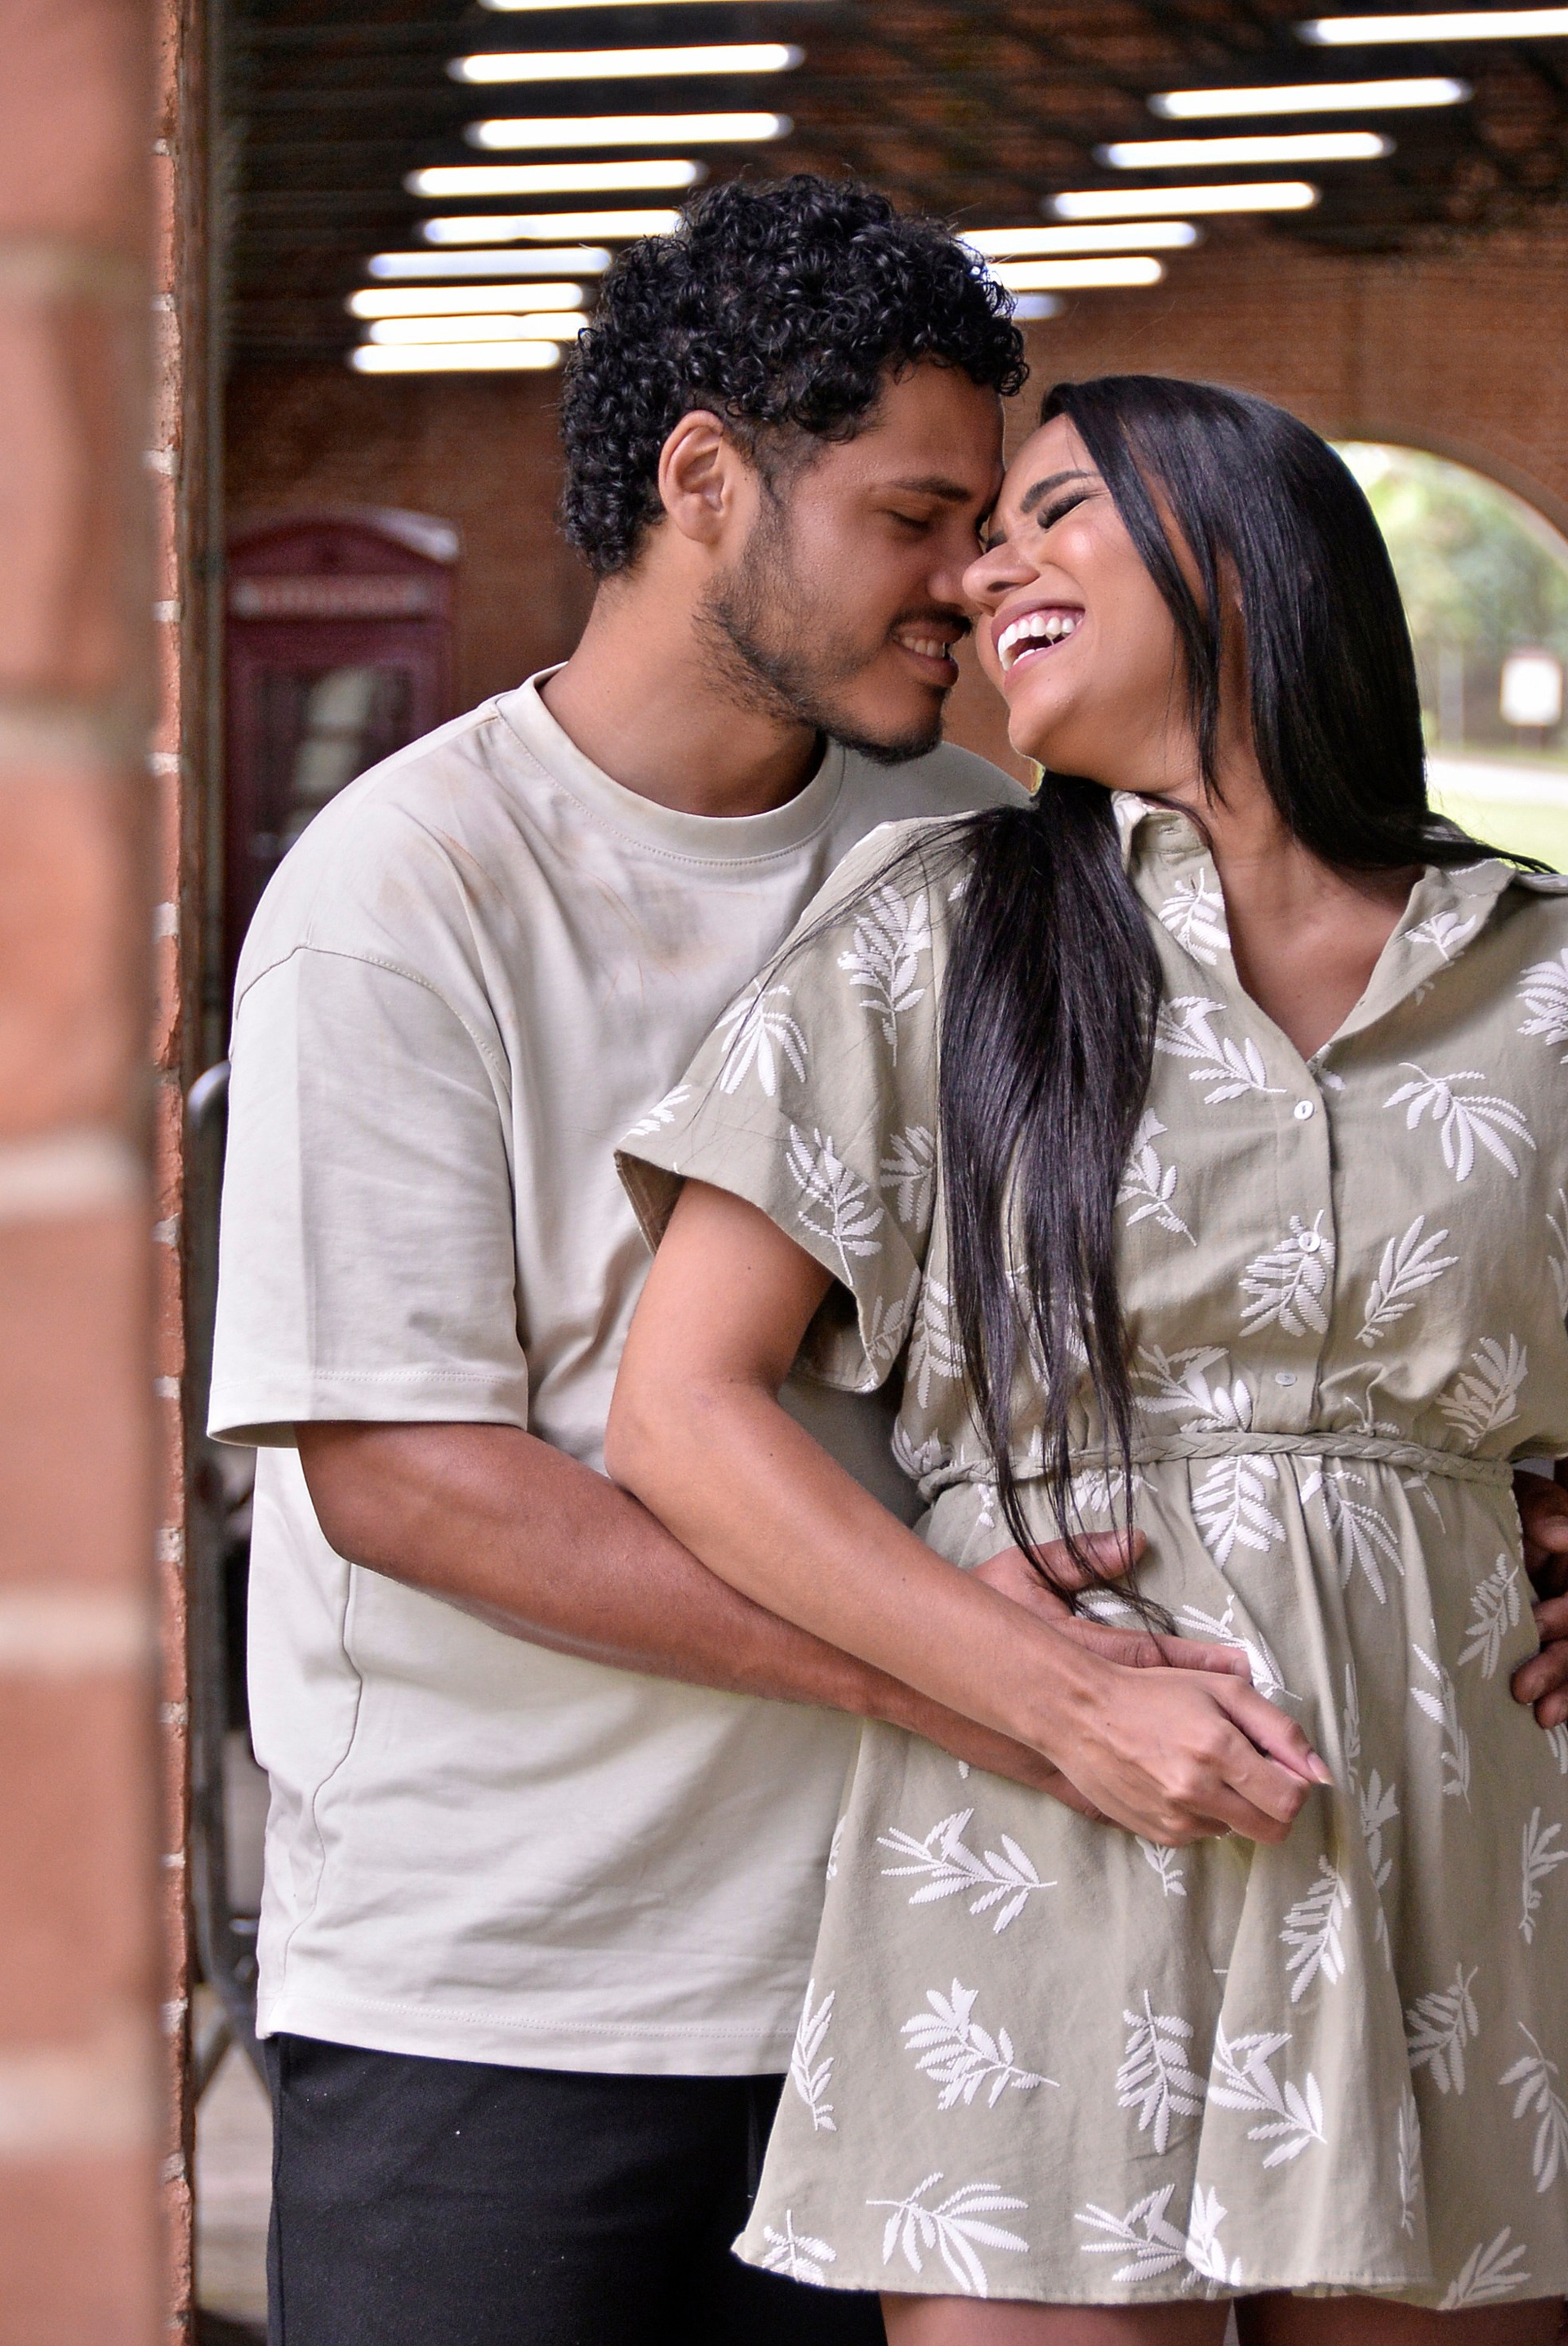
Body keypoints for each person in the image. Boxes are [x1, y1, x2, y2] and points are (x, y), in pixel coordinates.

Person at [207, 183, 1260, 2346]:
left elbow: (1229, 1285)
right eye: (915, 518)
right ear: (705, 481)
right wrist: (969, 1678)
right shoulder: (407, 889)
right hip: (498, 1994)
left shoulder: (989, 860)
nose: (971, 581)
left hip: (925, 1952)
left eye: (990, 525)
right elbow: (406, 1479)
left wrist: (1492, 1518)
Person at [608, 373, 1568, 2342]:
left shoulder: (1538, 973)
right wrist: (1046, 1694)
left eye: (1053, 512)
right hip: (1036, 1837)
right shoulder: (935, 942)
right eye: (979, 537)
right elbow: (678, 1409)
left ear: (1251, 545)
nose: (986, 573)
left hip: (1455, 1849)